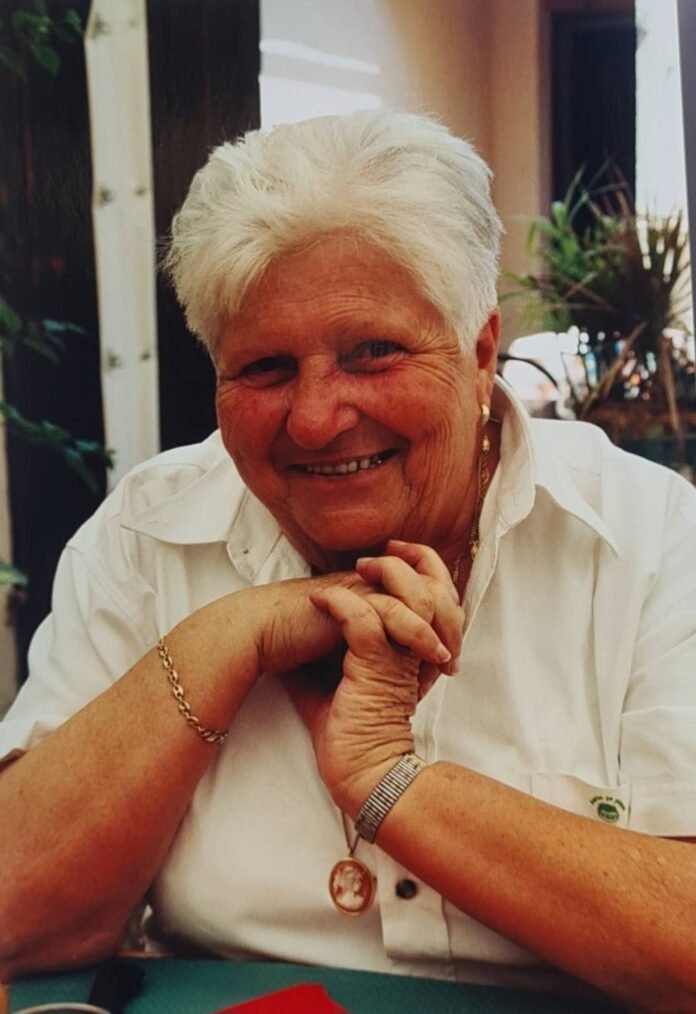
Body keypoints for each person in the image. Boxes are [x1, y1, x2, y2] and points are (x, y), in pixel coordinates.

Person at [1, 110, 695, 1009]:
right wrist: (224, 639)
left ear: (481, 352)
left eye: (373, 353)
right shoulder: (147, 534)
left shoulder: (648, 537)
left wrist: (387, 780)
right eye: (264, 369)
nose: (317, 417)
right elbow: (17, 912)